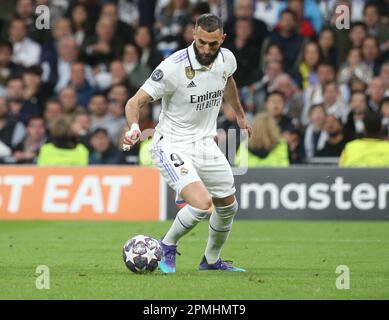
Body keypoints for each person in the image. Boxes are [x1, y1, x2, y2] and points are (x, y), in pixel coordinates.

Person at [122, 14, 252, 273]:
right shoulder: (172, 67)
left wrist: (239, 113)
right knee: (202, 204)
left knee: (228, 206)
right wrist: (135, 127)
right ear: (193, 34)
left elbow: (228, 80)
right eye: (201, 42)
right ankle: (167, 245)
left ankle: (211, 261)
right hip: (170, 143)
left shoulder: (227, 59)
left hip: (204, 143)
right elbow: (133, 102)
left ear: (222, 40)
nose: (206, 49)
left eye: (212, 45)